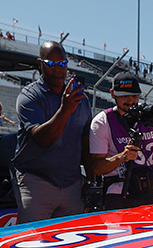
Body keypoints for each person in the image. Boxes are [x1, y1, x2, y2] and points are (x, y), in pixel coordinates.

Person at [88, 74, 153, 210]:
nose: (130, 100)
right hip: (120, 192)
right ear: (113, 94)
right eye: (124, 96)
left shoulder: (148, 115)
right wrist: (122, 157)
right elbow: (98, 168)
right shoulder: (102, 121)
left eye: (134, 96)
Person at [11, 41, 92, 222]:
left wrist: (91, 180)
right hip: (36, 181)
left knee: (72, 243)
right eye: (51, 64)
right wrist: (65, 110)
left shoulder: (82, 100)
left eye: (62, 64)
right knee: (33, 242)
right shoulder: (29, 96)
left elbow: (86, 142)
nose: (57, 69)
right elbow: (43, 139)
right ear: (40, 64)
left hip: (71, 183)